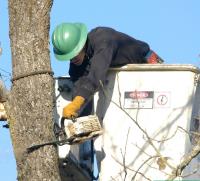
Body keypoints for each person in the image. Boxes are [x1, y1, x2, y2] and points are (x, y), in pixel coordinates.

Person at [52, 22, 164, 119]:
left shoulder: (104, 40)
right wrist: (78, 119)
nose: (72, 60)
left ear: (81, 45)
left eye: (74, 55)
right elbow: (80, 87)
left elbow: (96, 77)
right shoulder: (78, 63)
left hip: (146, 63)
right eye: (69, 57)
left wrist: (76, 104)